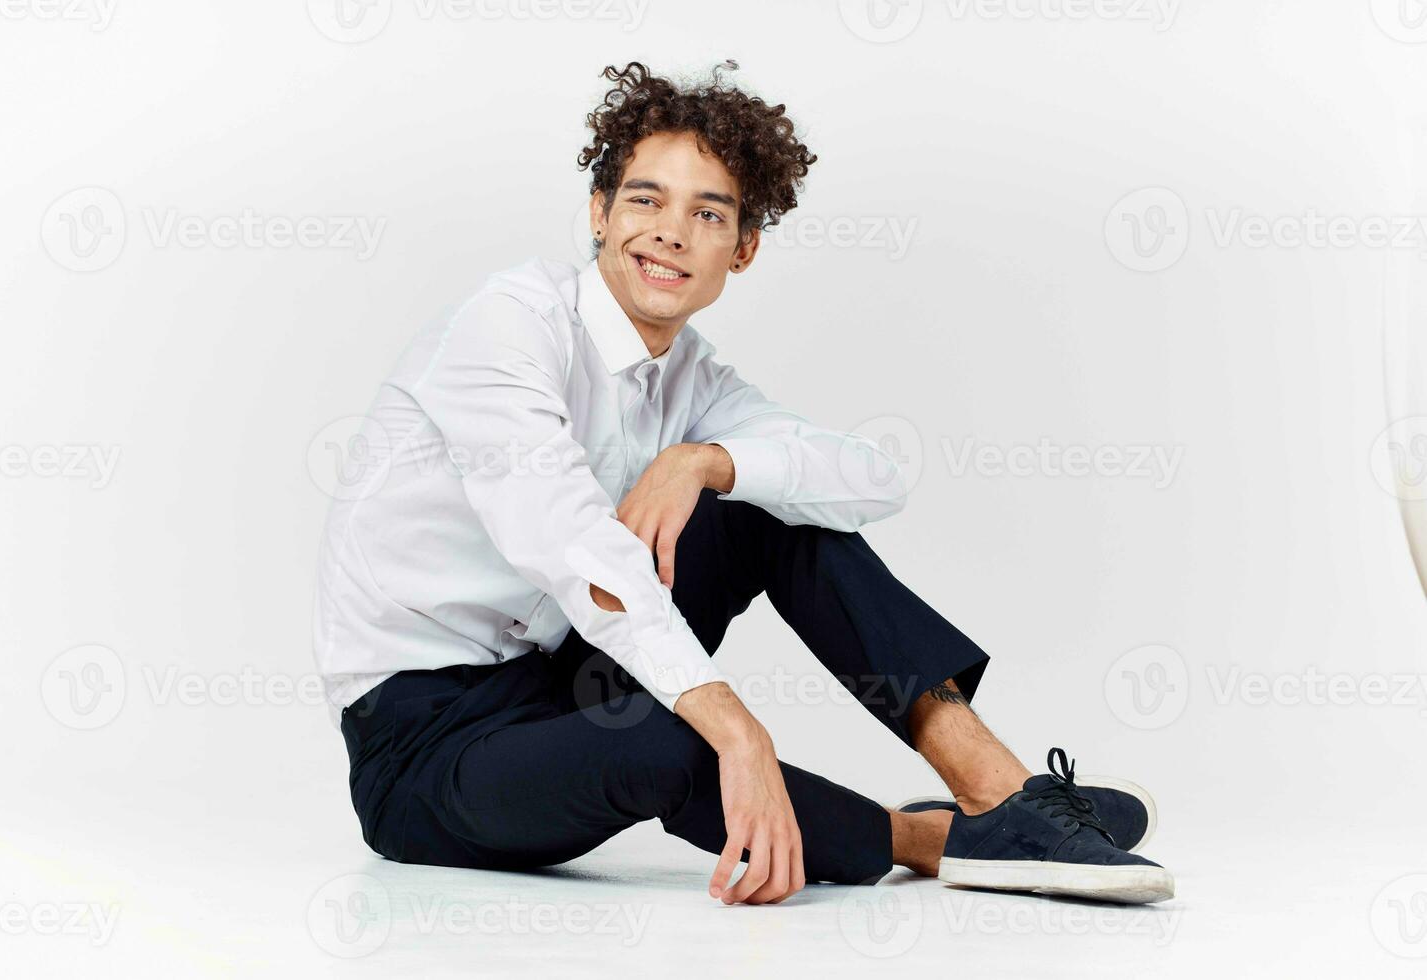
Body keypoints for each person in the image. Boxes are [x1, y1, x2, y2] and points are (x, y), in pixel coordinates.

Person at [313, 61, 1174, 906]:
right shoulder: (507, 328)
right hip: (421, 747)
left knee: (771, 508)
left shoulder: (693, 381)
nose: (670, 232)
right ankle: (933, 839)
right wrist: (739, 728)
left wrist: (707, 461)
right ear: (599, 214)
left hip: (558, 676)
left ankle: (1002, 794)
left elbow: (873, 479)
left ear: (744, 247)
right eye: (645, 199)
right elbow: (569, 542)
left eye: (708, 212)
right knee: (671, 742)